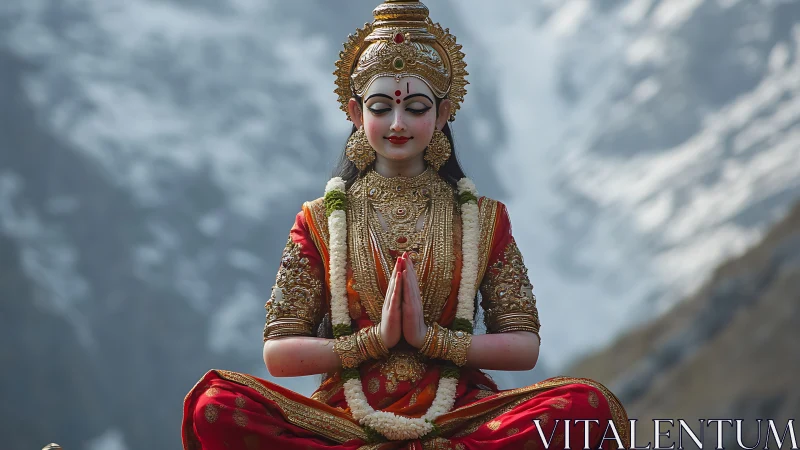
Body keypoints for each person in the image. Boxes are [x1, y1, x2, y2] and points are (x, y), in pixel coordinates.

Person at [182, 1, 629, 448]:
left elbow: (523, 345)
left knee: (585, 407)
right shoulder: (321, 219)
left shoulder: (483, 217)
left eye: (416, 108)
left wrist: (430, 340)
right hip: (347, 418)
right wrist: (371, 342)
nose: (398, 124)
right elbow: (278, 353)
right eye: (381, 108)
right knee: (215, 404)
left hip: (457, 415)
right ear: (357, 114)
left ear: (443, 113)